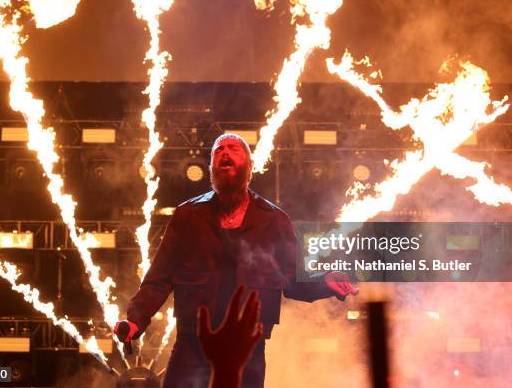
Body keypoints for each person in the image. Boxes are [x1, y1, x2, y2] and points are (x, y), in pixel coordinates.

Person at [115, 133, 358, 388]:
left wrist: (325, 281)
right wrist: (135, 320)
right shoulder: (187, 216)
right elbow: (159, 279)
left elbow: (294, 280)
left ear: (250, 167)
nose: (225, 153)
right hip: (193, 346)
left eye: (233, 149)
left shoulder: (274, 221)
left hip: (248, 347)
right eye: (218, 150)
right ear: (211, 169)